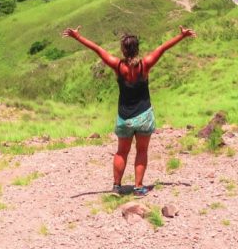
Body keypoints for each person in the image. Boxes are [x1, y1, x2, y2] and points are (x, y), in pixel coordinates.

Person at [62, 25, 195, 196]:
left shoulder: (117, 66)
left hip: (124, 117)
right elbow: (162, 48)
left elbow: (97, 49)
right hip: (144, 116)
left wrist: (77, 37)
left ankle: (116, 187)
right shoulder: (145, 65)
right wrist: (182, 36)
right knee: (141, 151)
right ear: (137, 48)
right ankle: (138, 187)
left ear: (123, 50)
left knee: (121, 151)